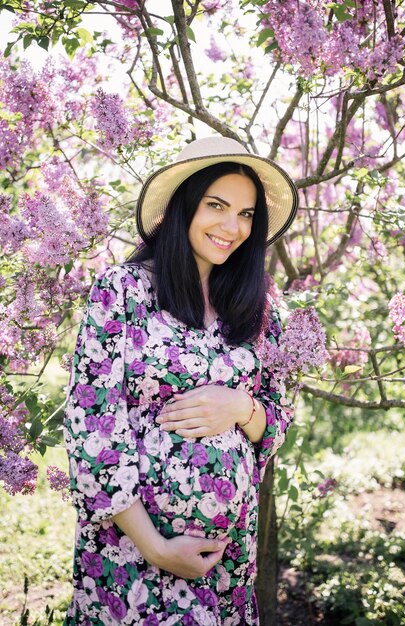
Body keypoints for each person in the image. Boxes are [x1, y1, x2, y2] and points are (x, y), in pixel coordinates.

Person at [63, 135, 299, 625]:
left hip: (226, 561)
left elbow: (277, 423)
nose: (232, 227)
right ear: (182, 207)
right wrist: (156, 547)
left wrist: (241, 408)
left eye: (247, 214)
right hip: (131, 556)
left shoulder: (260, 310)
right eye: (217, 205)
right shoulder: (122, 291)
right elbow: (91, 425)